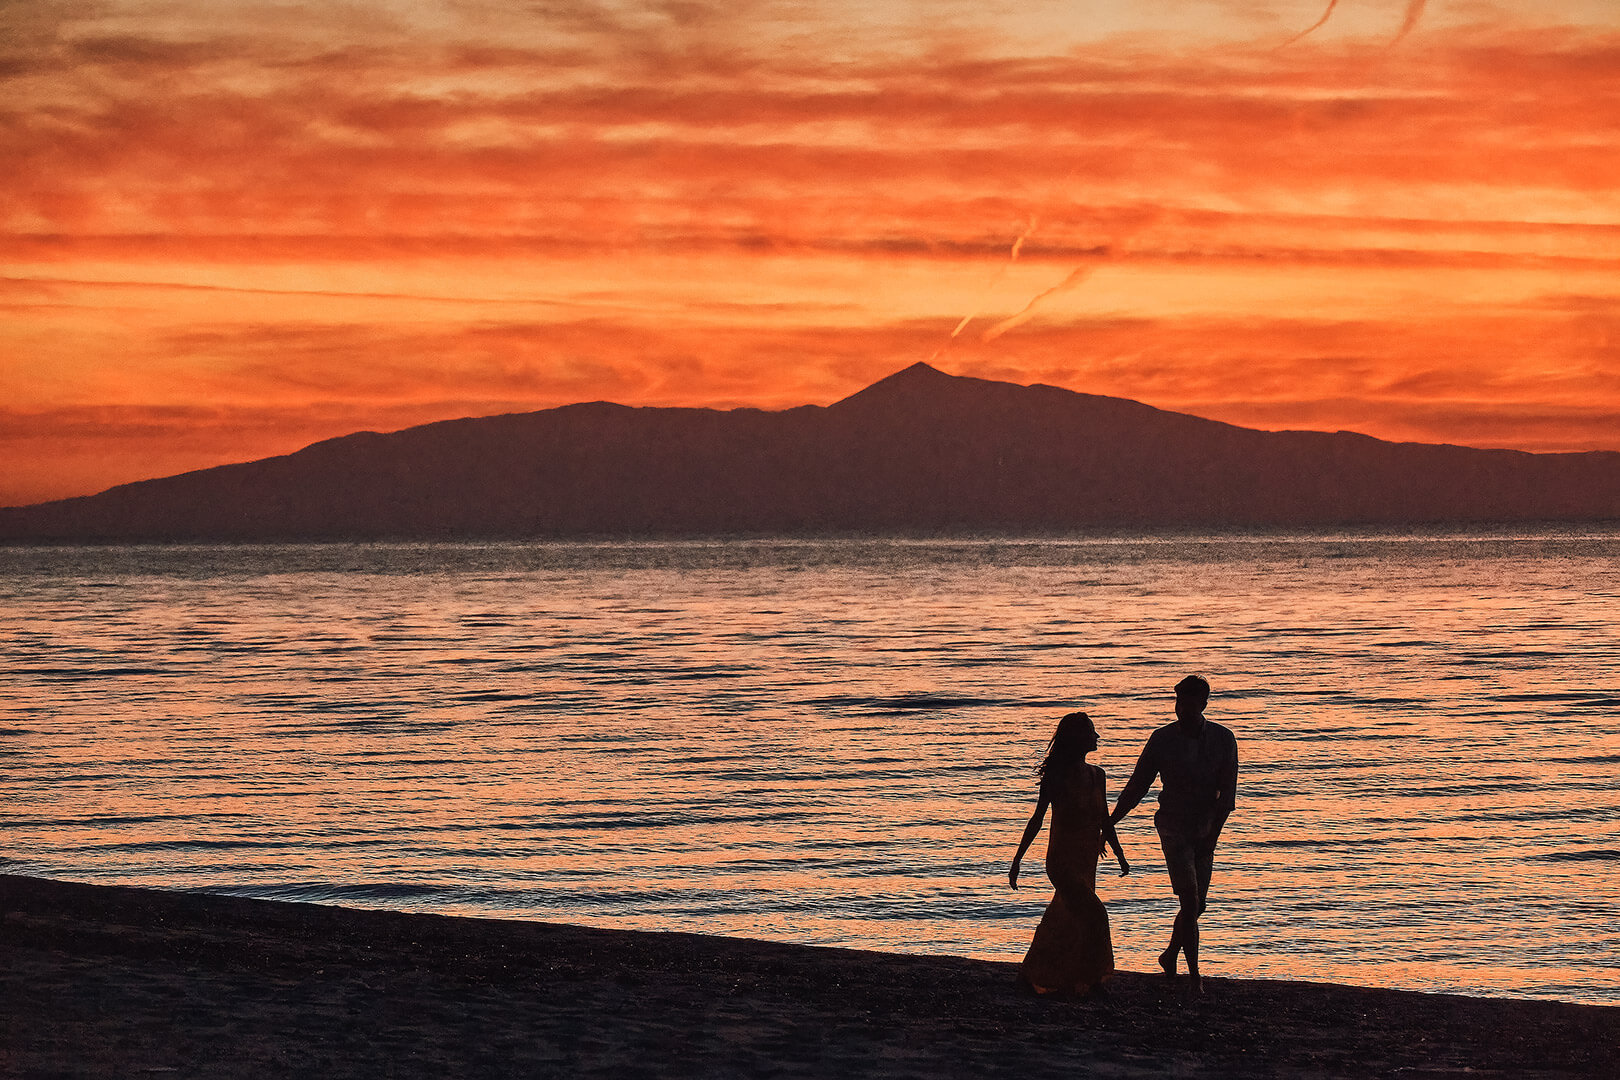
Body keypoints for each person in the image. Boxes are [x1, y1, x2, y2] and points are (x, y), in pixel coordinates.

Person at [1109, 674, 1238, 994]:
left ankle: (1169, 955)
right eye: (1179, 702)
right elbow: (1138, 785)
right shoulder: (1162, 739)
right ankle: (1194, 978)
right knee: (1190, 900)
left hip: (1205, 828)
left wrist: (1213, 837)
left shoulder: (1223, 739)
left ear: (1203, 704)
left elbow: (1228, 797)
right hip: (1172, 826)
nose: (1182, 708)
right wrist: (1110, 822)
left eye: (1189, 702)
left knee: (1198, 905)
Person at [1009, 711, 1129, 997]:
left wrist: (1120, 853)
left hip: (1086, 860)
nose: (1096, 736)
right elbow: (1037, 819)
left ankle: (1034, 972)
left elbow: (1104, 819)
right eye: (1091, 732)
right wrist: (1017, 859)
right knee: (1095, 915)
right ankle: (1093, 979)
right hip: (1062, 861)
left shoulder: (1098, 775)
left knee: (1064, 919)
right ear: (1077, 739)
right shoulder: (1057, 777)